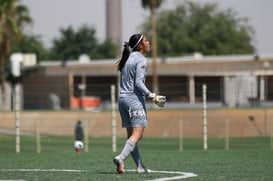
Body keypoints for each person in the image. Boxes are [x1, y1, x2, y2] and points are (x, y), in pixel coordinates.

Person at [113, 34, 166, 174]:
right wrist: (152, 95)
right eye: (146, 40)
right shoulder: (141, 59)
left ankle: (140, 166)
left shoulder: (127, 58)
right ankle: (121, 157)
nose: (148, 42)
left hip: (122, 101)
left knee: (132, 136)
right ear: (140, 45)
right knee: (137, 135)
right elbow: (138, 83)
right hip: (134, 101)